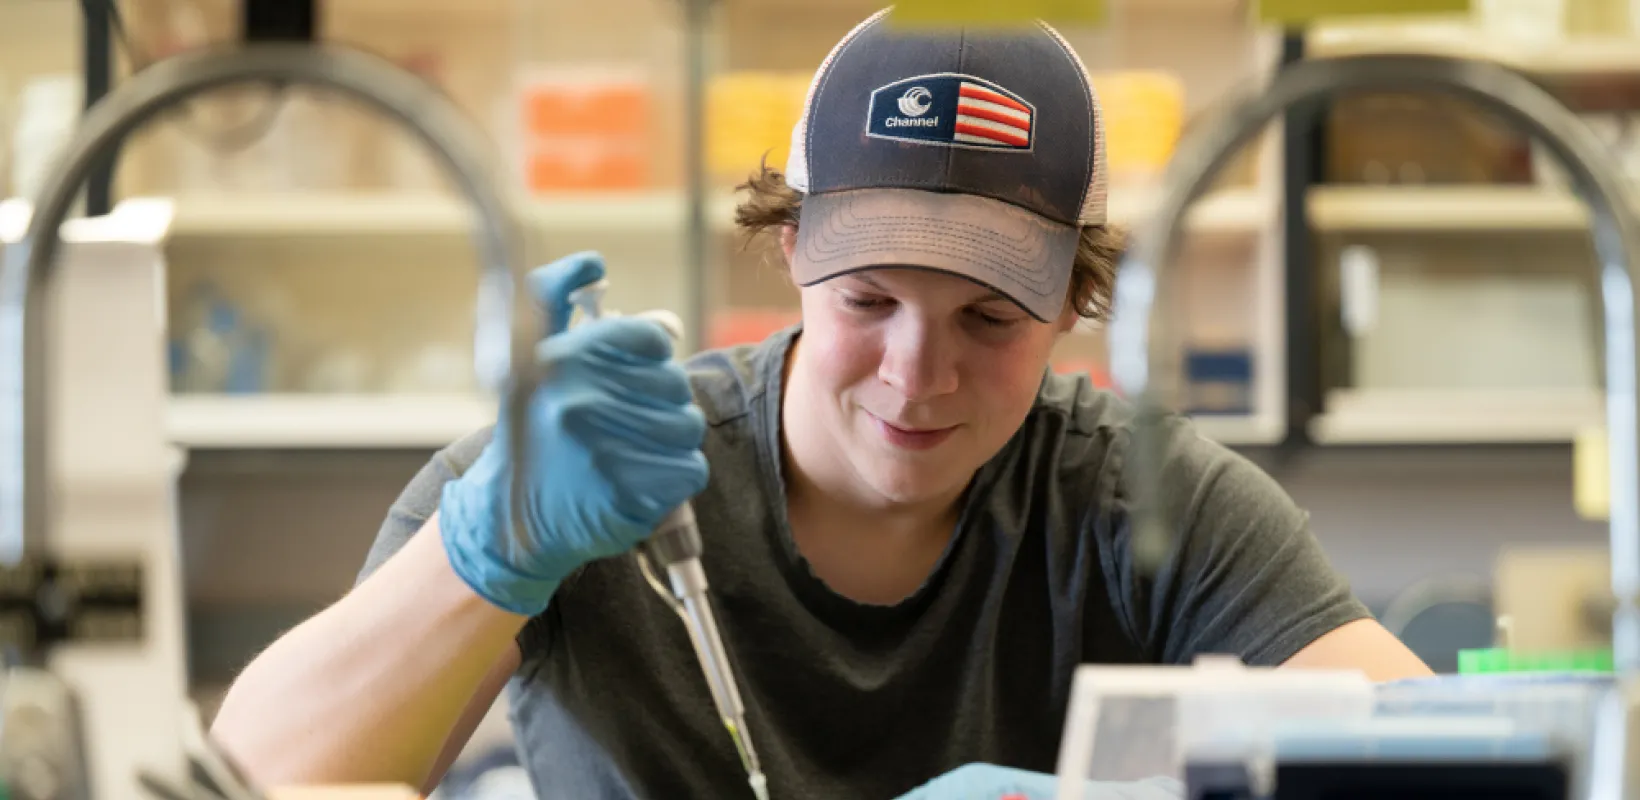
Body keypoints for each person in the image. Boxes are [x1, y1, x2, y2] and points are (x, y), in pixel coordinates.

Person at [209, 9, 1433, 800]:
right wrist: (485, 552)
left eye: (987, 317)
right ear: (789, 250)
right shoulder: (582, 472)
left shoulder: (1146, 502)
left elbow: (1437, 764)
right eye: (869, 299)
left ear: (1073, 300)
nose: (916, 371)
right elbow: (251, 775)